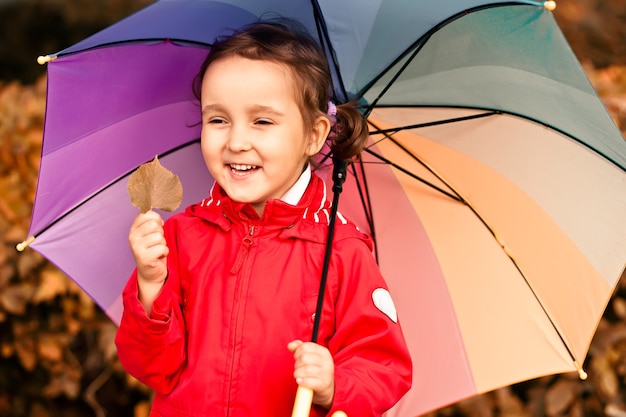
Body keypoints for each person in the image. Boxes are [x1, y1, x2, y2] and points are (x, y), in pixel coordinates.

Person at [115, 20, 412, 417]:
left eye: (262, 121)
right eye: (218, 119)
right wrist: (151, 288)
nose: (236, 141)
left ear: (314, 134)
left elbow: (384, 365)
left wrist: (332, 385)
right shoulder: (182, 237)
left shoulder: (341, 251)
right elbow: (152, 367)